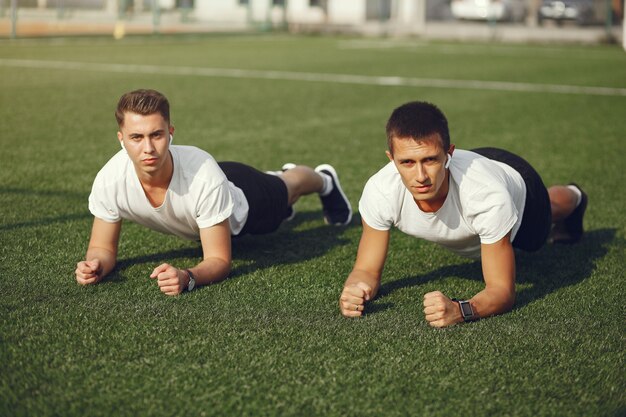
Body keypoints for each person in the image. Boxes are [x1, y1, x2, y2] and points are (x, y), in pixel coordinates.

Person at [75, 89, 352, 296]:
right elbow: (102, 248)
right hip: (212, 189)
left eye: (156, 135)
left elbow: (219, 260)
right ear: (121, 139)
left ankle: (324, 180)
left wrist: (187, 276)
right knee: (272, 193)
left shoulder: (204, 177)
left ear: (170, 133)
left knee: (287, 189)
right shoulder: (110, 180)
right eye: (136, 137)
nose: (147, 148)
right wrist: (95, 265)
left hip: (244, 197)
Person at [339, 101, 587, 327]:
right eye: (407, 163)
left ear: (448, 154)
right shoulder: (380, 190)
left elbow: (501, 290)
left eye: (430, 160)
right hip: (475, 169)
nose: (421, 176)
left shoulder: (486, 196)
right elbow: (367, 271)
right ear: (391, 159)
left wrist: (461, 310)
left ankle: (575, 196)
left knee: (543, 223)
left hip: (516, 185)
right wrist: (355, 289)